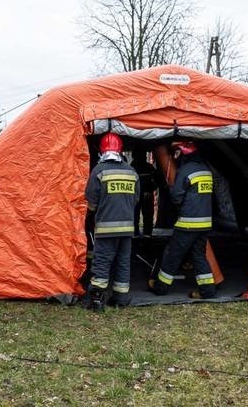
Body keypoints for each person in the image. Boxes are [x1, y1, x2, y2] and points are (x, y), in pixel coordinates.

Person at [151, 140, 216, 299]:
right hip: (205, 223)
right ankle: (208, 291)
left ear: (182, 156)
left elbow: (176, 196)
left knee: (172, 254)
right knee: (199, 256)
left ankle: (160, 287)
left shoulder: (185, 170)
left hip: (188, 223)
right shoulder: (206, 171)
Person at [84, 133, 139, 311]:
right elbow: (136, 198)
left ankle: (98, 300)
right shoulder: (132, 172)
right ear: (120, 150)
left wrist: (94, 213)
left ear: (102, 151)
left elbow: (91, 202)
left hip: (106, 228)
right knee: (123, 262)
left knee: (101, 262)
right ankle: (120, 299)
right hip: (128, 228)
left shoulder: (99, 171)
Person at [131, 146, 158, 237]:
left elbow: (157, 181)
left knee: (145, 217)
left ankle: (143, 236)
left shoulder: (132, 168)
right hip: (140, 195)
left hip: (141, 196)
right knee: (139, 217)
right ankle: (142, 236)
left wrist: (150, 190)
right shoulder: (132, 168)